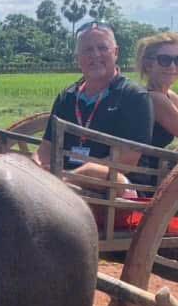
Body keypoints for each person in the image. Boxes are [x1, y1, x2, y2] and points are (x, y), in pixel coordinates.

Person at [33, 23, 153, 191]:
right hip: (66, 183)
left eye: (102, 48)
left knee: (93, 171)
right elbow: (45, 148)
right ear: (78, 57)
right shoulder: (66, 97)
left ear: (116, 52)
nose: (95, 55)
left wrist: (70, 176)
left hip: (116, 186)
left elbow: (128, 159)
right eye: (87, 50)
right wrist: (37, 165)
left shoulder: (133, 96)